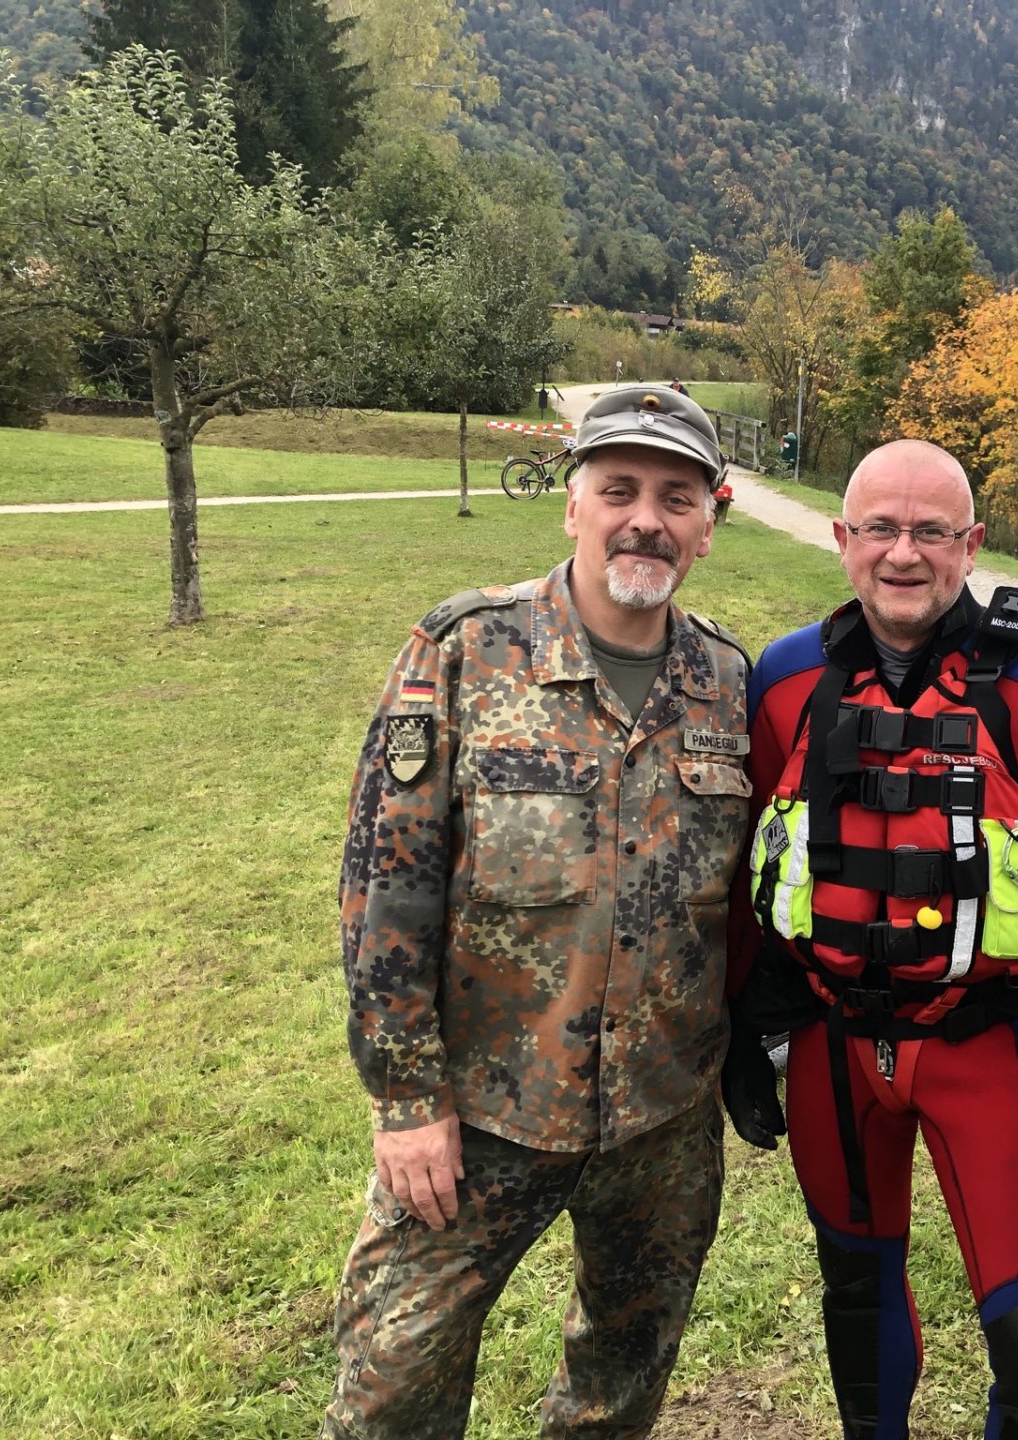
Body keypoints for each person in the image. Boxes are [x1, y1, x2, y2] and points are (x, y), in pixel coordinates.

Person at [322, 384, 753, 1438]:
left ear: (711, 518)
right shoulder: (464, 651)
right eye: (618, 489)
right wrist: (407, 1098)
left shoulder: (730, 684)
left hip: (662, 1116)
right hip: (481, 1115)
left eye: (675, 495)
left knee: (620, 1383)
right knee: (392, 1391)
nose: (645, 516)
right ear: (573, 506)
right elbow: (385, 887)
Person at [722, 438, 1018, 1439]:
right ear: (843, 540)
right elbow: (745, 871)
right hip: (832, 1053)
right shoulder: (790, 682)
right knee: (857, 1298)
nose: (904, 553)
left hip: (984, 1050)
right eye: (880, 528)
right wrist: (743, 1034)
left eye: (931, 531)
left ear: (972, 545)